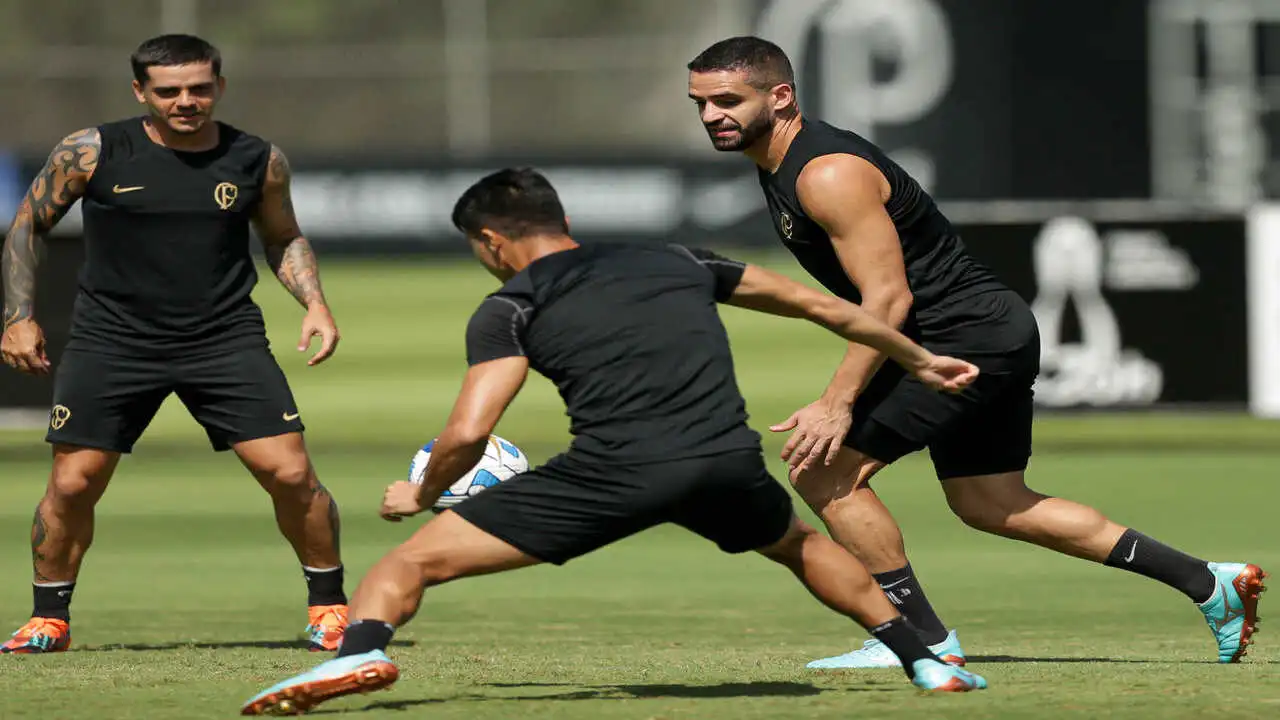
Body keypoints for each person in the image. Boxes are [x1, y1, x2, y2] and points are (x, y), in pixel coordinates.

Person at [237, 167, 989, 715]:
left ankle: (361, 650)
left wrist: (423, 493)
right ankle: (926, 662)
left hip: (614, 472)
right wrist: (918, 359)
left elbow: (469, 432)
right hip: (726, 461)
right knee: (801, 547)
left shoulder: (512, 304)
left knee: (408, 564)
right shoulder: (679, 259)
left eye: (479, 248)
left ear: (493, 242)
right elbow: (819, 306)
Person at [684, 35, 1266, 669]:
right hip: (982, 333)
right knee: (991, 502)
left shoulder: (826, 172)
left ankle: (921, 640)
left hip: (960, 341)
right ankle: (1211, 585)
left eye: (726, 101)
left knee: (823, 472)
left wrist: (836, 401)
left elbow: (888, 299)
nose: (713, 115)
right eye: (701, 104)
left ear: (780, 96)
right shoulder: (783, 165)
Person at [0, 34, 349, 653]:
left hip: (224, 338)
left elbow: (283, 236)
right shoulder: (92, 151)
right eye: (169, 91)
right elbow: (27, 227)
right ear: (141, 92)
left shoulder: (257, 158)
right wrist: (18, 316)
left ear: (219, 85)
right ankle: (48, 619)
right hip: (112, 340)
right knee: (75, 482)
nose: (186, 100)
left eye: (199, 87)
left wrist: (315, 303)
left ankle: (330, 607)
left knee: (291, 473)